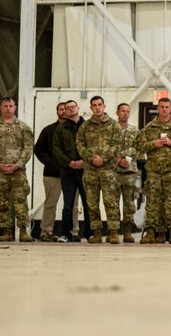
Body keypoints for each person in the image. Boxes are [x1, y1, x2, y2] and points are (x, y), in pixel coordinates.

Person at [136, 97, 171, 244]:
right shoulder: (149, 128)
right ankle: (151, 232)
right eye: (161, 107)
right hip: (154, 172)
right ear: (158, 108)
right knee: (152, 203)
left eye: (167, 107)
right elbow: (140, 146)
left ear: (170, 108)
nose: (164, 110)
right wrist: (154, 144)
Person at [0, 97, 34, 242]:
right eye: (5, 106)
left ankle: (23, 231)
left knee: (21, 201)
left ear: (15, 107)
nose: (8, 108)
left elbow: (28, 148)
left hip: (18, 171)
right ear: (1, 108)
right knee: (1, 201)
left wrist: (18, 164)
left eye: (10, 106)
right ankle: (6, 231)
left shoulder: (23, 127)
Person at [76, 96, 121, 244]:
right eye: (94, 105)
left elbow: (116, 145)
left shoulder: (114, 126)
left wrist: (103, 158)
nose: (97, 108)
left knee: (110, 202)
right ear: (91, 108)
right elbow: (80, 145)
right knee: (92, 203)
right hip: (90, 170)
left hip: (108, 170)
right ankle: (96, 233)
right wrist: (91, 158)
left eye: (100, 105)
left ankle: (113, 232)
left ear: (104, 106)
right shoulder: (85, 126)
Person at [53, 99, 90, 242]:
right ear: (65, 112)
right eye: (68, 108)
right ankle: (65, 233)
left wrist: (84, 161)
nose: (71, 109)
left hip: (86, 171)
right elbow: (57, 149)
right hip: (68, 172)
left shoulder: (87, 126)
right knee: (68, 204)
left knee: (88, 204)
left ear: (78, 108)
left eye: (73, 107)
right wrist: (70, 163)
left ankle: (90, 233)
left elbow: (93, 146)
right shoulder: (60, 129)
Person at [33, 102, 65, 242]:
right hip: (52, 174)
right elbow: (38, 149)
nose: (64, 111)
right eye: (61, 109)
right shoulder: (48, 130)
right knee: (50, 203)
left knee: (73, 205)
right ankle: (46, 232)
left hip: (72, 174)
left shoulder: (77, 130)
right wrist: (50, 162)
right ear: (57, 111)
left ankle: (72, 232)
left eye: (66, 109)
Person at [114, 102, 140, 243]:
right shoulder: (111, 129)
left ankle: (128, 232)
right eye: (122, 110)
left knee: (129, 204)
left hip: (129, 172)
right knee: (113, 203)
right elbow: (107, 148)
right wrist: (118, 161)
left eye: (127, 111)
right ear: (117, 113)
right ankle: (114, 232)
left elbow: (138, 148)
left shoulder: (135, 131)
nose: (125, 113)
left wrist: (124, 157)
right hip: (114, 172)